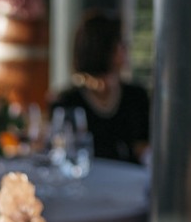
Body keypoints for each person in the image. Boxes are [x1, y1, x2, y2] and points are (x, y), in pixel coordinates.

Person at [49, 9, 150, 165]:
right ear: (102, 47)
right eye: (120, 43)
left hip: (130, 185)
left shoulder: (136, 97)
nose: (125, 49)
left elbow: (144, 150)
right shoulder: (67, 101)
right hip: (82, 185)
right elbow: (58, 152)